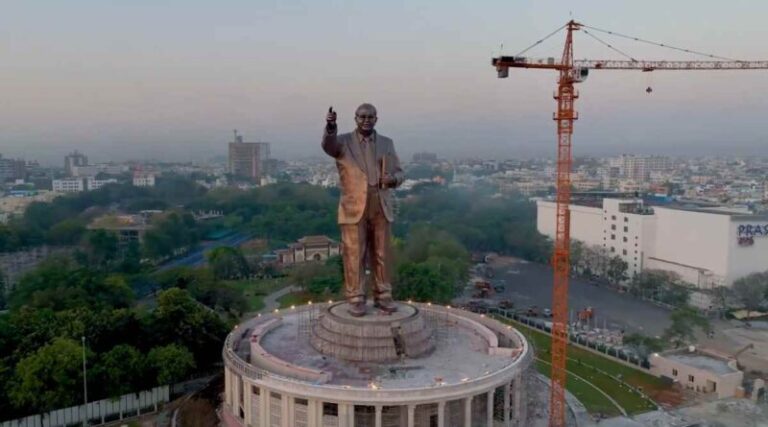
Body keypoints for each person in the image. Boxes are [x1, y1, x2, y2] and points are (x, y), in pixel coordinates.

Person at [321, 103, 403, 317]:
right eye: (362, 116)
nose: (366, 120)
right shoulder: (343, 142)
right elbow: (328, 146)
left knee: (382, 253)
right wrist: (331, 126)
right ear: (355, 118)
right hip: (353, 206)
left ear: (377, 118)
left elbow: (400, 172)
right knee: (354, 254)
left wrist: (393, 179)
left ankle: (383, 295)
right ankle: (356, 297)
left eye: (370, 116)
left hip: (380, 203)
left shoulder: (387, 143)